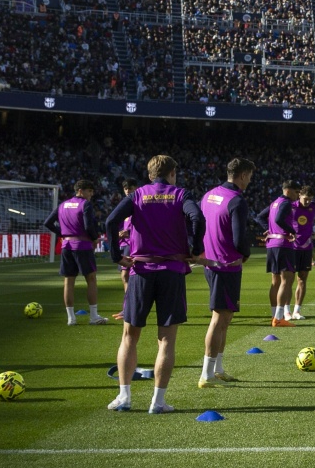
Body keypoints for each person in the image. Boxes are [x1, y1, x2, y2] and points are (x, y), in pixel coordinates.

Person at [102, 155, 204, 414]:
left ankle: (124, 397)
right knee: (166, 340)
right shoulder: (180, 194)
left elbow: (110, 221)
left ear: (149, 175)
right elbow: (198, 218)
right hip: (171, 271)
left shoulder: (137, 195)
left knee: (129, 337)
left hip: (140, 271)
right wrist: (196, 248)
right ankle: (158, 402)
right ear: (172, 173)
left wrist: (116, 256)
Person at [197, 157, 256, 389]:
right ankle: (206, 373)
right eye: (249, 176)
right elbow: (239, 236)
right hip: (227, 266)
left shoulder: (209, 195)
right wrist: (245, 253)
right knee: (219, 318)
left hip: (211, 263)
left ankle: (217, 368)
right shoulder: (237, 200)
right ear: (242, 175)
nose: (250, 181)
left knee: (226, 317)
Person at [52, 180, 108, 326]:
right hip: (82, 245)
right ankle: (94, 316)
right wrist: (95, 238)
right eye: (89, 191)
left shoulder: (63, 205)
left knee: (68, 281)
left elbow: (47, 222)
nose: (91, 195)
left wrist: (63, 233)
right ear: (81, 191)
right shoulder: (85, 204)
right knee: (91, 279)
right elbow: (88, 225)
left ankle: (71, 318)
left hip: (66, 246)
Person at [264, 179, 301, 328]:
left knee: (275, 282)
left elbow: (260, 216)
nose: (298, 196)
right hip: (283, 244)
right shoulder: (286, 203)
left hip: (272, 245)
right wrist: (291, 231)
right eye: (297, 192)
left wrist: (267, 229)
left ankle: (274, 315)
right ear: (289, 190)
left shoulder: (275, 203)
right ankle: (279, 319)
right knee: (287, 280)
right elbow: (279, 219)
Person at [108, 175, 137, 318]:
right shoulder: (125, 207)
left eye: (130, 188)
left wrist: (129, 232)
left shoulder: (140, 206)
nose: (127, 191)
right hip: (125, 246)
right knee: (125, 277)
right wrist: (120, 234)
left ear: (136, 188)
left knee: (128, 276)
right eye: (125, 188)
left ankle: (129, 308)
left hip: (135, 246)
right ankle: (128, 307)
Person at [288, 188, 315, 319]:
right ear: (299, 195)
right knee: (288, 280)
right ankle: (286, 311)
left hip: (306, 246)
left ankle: (297, 311)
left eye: (310, 199)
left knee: (302, 279)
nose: (307, 201)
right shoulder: (291, 207)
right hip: (292, 247)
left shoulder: (313, 207)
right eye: (305, 198)